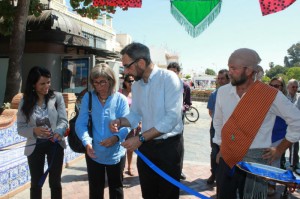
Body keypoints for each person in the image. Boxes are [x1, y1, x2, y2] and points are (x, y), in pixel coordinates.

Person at [213, 48, 300, 199]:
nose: (229, 72)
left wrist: (280, 149)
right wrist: (221, 147)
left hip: (256, 163)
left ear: (248, 71)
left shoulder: (270, 95)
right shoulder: (222, 92)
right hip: (227, 157)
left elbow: (297, 120)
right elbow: (218, 122)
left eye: (233, 68)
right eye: (229, 67)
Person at [109, 42, 183, 199]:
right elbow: (135, 114)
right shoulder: (136, 86)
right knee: (148, 193)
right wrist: (121, 121)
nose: (126, 72)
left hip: (169, 148)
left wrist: (141, 138)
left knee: (168, 194)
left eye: (127, 66)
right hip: (146, 147)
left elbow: (172, 118)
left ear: (141, 62)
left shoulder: (169, 79)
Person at [75, 63, 130, 199]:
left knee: (116, 189)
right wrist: (87, 142)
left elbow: (127, 125)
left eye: (103, 82)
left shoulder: (121, 99)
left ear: (111, 81)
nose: (99, 87)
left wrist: (116, 138)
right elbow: (80, 124)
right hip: (94, 153)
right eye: (96, 83)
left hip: (116, 153)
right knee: (95, 190)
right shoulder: (89, 98)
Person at [17, 66, 68, 199]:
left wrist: (58, 131)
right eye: (42, 83)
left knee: (55, 182)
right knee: (36, 183)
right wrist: (34, 130)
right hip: (35, 146)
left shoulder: (57, 97)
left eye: (48, 82)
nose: (47, 86)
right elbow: (20, 128)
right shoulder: (25, 101)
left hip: (55, 144)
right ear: (33, 84)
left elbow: (63, 120)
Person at [167, 62, 192, 180]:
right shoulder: (163, 86)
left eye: (174, 72)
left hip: (178, 120)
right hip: (164, 121)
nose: (172, 74)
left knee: (178, 146)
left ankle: (178, 170)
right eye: (170, 72)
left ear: (178, 73)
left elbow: (188, 104)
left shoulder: (185, 86)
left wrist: (182, 108)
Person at [206, 69, 230, 184]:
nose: (220, 81)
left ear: (228, 79)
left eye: (222, 78)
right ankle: (214, 174)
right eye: (218, 78)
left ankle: (225, 176)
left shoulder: (233, 93)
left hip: (230, 128)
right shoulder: (214, 94)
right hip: (216, 127)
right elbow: (211, 112)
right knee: (215, 151)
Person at [268, 77, 288, 196]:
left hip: (279, 136)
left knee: (274, 161)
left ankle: (272, 184)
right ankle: (264, 183)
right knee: (263, 161)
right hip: (265, 136)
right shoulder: (265, 100)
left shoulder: (285, 102)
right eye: (271, 85)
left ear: (282, 88)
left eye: (277, 86)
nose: (273, 88)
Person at [119, 74, 141, 176]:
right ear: (125, 82)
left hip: (132, 125)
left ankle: (129, 167)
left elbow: (139, 110)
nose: (131, 83)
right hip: (121, 124)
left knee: (130, 147)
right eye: (129, 81)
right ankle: (121, 167)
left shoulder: (136, 94)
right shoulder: (120, 93)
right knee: (120, 145)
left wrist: (140, 122)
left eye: (133, 81)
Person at [286, 79, 300, 171]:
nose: (295, 88)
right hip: (284, 124)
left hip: (295, 125)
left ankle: (295, 163)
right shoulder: (283, 96)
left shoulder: (299, 97)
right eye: (293, 87)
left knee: (295, 145)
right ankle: (282, 162)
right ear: (288, 87)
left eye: (296, 87)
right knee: (282, 144)